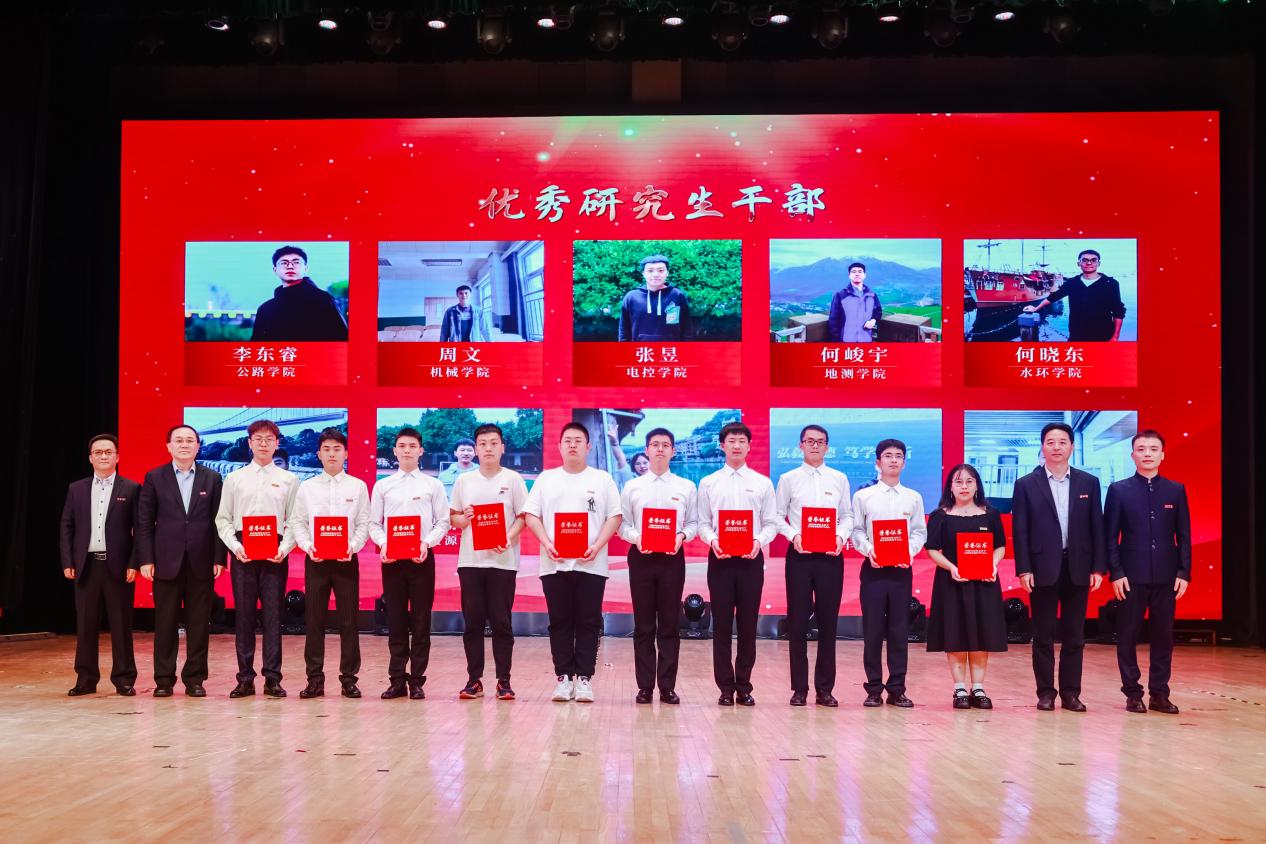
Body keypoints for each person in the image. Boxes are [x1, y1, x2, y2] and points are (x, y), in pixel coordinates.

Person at [1012, 422, 1107, 712]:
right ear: (1042, 447)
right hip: (1042, 568)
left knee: (1074, 636)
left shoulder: (1088, 482)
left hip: (1078, 566)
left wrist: (1098, 568)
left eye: (1062, 442)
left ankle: (1070, 693)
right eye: (1051, 442)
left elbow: (1097, 526)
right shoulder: (1026, 484)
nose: (1056, 447)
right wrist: (1024, 569)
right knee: (1042, 635)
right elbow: (1020, 530)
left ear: (1072, 447)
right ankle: (1045, 693)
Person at [523, 423, 622, 704]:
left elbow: (614, 517)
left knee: (589, 621)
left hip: (592, 564)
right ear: (559, 446)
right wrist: (547, 543)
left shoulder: (602, 479)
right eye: (567, 440)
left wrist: (597, 546)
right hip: (554, 563)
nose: (573, 445)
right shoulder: (547, 479)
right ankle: (564, 678)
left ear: (588, 447)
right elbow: (531, 515)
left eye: (578, 440)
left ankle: (585, 679)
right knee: (559, 621)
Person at [1106, 430, 1192, 715]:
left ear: (1162, 455)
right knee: (1127, 635)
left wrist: (1184, 572)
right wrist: (1116, 572)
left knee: (1163, 637)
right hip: (1130, 577)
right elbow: (1110, 537)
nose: (1147, 454)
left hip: (1167, 577)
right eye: (1141, 449)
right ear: (1132, 455)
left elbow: (1184, 535)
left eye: (1153, 449)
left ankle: (1160, 693)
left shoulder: (1175, 490)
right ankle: (1132, 693)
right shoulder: (1118, 490)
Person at [137, 425, 226, 698]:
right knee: (165, 624)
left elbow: (219, 521)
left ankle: (195, 679)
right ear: (169, 446)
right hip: (165, 561)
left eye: (190, 440)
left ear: (198, 446)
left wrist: (219, 557)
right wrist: (146, 558)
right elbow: (144, 522)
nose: (184, 444)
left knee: (199, 625)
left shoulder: (212, 478)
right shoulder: (155, 477)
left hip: (201, 561)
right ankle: (164, 680)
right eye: (179, 440)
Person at [215, 419, 300, 699]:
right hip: (243, 550)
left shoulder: (289, 480)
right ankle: (245, 679)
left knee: (274, 617)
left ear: (277, 443)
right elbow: (223, 519)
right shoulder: (234, 479)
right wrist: (235, 547)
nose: (264, 444)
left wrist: (284, 548)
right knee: (244, 617)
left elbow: (295, 520)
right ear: (249, 443)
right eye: (258, 439)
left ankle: (272, 678)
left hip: (275, 551)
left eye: (269, 439)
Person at [697, 422, 780, 707]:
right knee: (721, 624)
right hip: (720, 559)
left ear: (749, 446)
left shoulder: (762, 483)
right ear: (722, 445)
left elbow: (771, 523)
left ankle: (744, 686)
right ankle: (724, 687)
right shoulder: (709, 483)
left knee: (747, 624)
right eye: (731, 440)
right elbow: (703, 523)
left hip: (750, 560)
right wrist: (712, 540)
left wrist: (758, 541)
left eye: (742, 441)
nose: (736, 445)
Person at [448, 423, 529, 702]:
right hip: (470, 562)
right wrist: (464, 518)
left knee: (501, 623)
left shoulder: (513, 479)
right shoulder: (464, 481)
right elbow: (453, 518)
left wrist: (508, 538)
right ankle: (474, 680)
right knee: (472, 623)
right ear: (476, 449)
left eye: (494, 443)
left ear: (502, 447)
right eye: (482, 444)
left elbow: (523, 516)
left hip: (503, 561)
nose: (488, 448)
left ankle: (504, 681)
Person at [369, 427, 451, 701]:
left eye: (412, 446)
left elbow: (443, 521)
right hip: (392, 560)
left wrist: (427, 542)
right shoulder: (383, 485)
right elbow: (373, 523)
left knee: (420, 620)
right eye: (402, 446)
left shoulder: (432, 485)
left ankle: (416, 680)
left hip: (422, 559)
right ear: (394, 451)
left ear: (420, 451)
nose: (406, 450)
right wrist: (384, 544)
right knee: (395, 620)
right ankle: (396, 680)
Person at [774, 424, 853, 708]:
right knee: (797, 623)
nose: (815, 446)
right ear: (801, 446)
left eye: (820, 442)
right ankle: (799, 689)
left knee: (828, 623)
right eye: (810, 441)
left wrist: (840, 537)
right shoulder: (788, 479)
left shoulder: (839, 478)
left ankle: (825, 689)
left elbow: (847, 516)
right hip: (800, 556)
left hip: (831, 557)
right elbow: (776, 516)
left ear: (827, 447)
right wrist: (793, 535)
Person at [619, 427, 699, 705]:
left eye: (666, 445)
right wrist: (636, 538)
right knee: (643, 625)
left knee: (669, 624)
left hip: (672, 559)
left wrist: (681, 536)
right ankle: (645, 687)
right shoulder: (633, 487)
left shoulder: (686, 486)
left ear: (673, 451)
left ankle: (667, 686)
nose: (660, 449)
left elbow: (693, 524)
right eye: (655, 444)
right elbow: (623, 525)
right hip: (641, 558)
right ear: (647, 450)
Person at [289, 428, 370, 700]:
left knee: (349, 621)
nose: (332, 454)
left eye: (337, 449)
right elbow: (298, 522)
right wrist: (307, 546)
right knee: (314, 621)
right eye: (326, 449)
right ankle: (314, 680)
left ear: (346, 453)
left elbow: (363, 523)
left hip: (347, 560)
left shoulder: (357, 486)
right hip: (317, 560)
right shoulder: (307, 487)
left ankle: (349, 680)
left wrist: (352, 546)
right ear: (319, 454)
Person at [59, 434, 141, 696]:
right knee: (85, 625)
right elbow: (67, 526)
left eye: (108, 452)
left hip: (119, 567)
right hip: (86, 566)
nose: (103, 456)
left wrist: (134, 562)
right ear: (90, 458)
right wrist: (68, 560)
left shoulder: (131, 488)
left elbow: (140, 530)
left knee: (121, 625)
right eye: (98, 452)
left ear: (118, 457)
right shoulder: (77, 488)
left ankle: (124, 679)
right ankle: (86, 679)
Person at [924, 464, 1008, 710]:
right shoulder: (940, 516)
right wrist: (951, 567)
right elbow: (932, 550)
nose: (964, 487)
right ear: (950, 487)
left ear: (977, 485)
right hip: (952, 582)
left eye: (969, 481)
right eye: (958, 482)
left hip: (984, 582)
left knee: (982, 633)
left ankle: (978, 687)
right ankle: (959, 687)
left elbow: (1000, 546)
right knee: (956, 633)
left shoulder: (990, 514)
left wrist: (992, 565)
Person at [851, 439, 927, 708]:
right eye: (888, 456)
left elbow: (919, 532)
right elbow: (857, 531)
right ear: (878, 462)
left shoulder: (913, 497)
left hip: (901, 572)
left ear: (904, 462)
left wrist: (909, 551)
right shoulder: (863, 496)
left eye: (898, 456)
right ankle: (873, 688)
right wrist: (869, 549)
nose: (893, 460)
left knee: (898, 631)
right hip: (873, 570)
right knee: (872, 632)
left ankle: (897, 689)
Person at [1022, 249, 1126, 342]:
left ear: (1099, 263)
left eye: (1093, 260)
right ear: (1078, 263)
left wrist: (1115, 337)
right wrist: (1036, 308)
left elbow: (1118, 311)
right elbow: (1054, 297)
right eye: (1084, 260)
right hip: (1076, 334)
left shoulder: (1110, 283)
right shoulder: (1072, 282)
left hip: (1103, 335)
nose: (1089, 263)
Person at [251, 245, 349, 342]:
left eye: (296, 262)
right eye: (284, 263)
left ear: (305, 268)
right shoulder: (265, 309)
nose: (290, 266)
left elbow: (341, 340)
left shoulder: (323, 300)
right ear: (275, 270)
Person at [617, 254, 694, 342]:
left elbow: (687, 329)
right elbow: (624, 331)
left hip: (670, 349)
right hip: (641, 349)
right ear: (643, 273)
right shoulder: (631, 297)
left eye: (660, 270)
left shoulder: (677, 295)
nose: (655, 274)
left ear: (667, 273)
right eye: (650, 271)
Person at [827, 262, 882, 343]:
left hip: (867, 340)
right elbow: (833, 320)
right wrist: (836, 341)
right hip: (845, 341)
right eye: (854, 272)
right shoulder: (840, 295)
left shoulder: (872, 295)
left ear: (864, 275)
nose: (857, 274)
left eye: (860, 271)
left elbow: (878, 312)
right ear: (849, 275)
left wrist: (873, 320)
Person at [608, 420, 650, 491]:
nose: (642, 466)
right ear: (633, 467)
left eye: (645, 463)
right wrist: (614, 444)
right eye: (638, 464)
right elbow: (620, 460)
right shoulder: (630, 480)